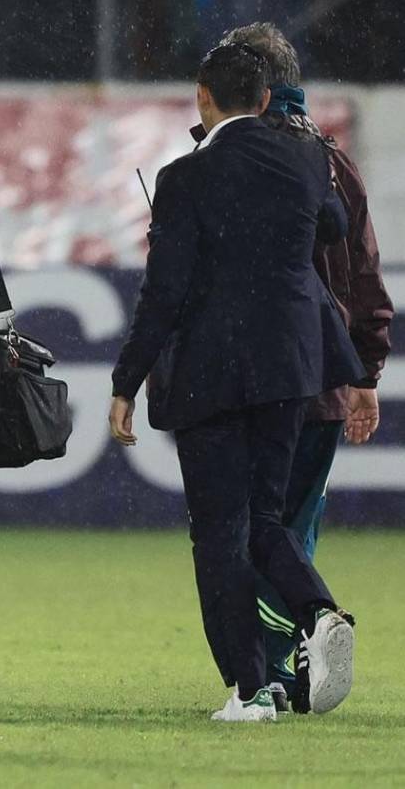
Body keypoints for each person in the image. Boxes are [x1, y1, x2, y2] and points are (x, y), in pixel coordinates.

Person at [108, 42, 363, 722]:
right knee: (265, 518)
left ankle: (249, 690)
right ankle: (316, 611)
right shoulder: (307, 159)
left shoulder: (184, 178)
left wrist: (126, 381)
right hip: (290, 369)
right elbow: (333, 227)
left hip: (210, 375)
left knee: (218, 533)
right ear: (264, 100)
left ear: (203, 97)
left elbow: (162, 294)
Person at [213, 22, 394, 712]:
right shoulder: (330, 162)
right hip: (324, 375)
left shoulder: (238, 158)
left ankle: (282, 664)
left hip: (254, 375)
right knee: (289, 528)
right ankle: (295, 659)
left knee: (244, 529)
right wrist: (367, 372)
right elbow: (365, 277)